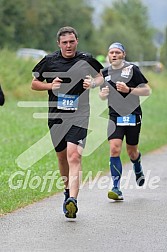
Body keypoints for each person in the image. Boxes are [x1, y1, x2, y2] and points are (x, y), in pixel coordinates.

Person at [31, 26, 103, 218]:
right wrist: (49, 85)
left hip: (80, 115)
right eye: (65, 42)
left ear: (77, 41)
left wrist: (93, 84)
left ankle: (73, 200)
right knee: (62, 157)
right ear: (59, 44)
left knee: (74, 155)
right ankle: (66, 193)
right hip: (56, 116)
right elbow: (34, 83)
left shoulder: (86, 59)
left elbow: (101, 76)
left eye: (72, 41)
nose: (68, 45)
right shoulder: (49, 61)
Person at [86, 42, 151, 200]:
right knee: (114, 149)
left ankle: (137, 164)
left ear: (123, 54)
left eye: (117, 52)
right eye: (111, 52)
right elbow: (102, 94)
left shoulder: (132, 69)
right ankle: (116, 188)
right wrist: (103, 94)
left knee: (131, 151)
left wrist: (128, 90)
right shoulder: (105, 72)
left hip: (133, 115)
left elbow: (147, 90)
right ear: (108, 55)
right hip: (115, 116)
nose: (114, 55)